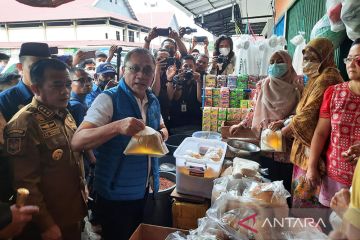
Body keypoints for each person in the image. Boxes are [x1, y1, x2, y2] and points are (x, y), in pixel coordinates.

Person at [71, 48, 169, 239]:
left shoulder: (152, 101)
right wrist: (117, 127)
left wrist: (160, 134)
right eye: (135, 68)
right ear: (124, 70)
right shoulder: (108, 99)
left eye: (148, 70)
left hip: (145, 190)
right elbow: (77, 141)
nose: (141, 75)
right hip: (114, 195)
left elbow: (163, 127)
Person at [4, 58, 87, 239]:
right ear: (36, 88)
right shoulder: (24, 124)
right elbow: (25, 184)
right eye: (57, 85)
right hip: (48, 221)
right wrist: (46, 225)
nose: (65, 91)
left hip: (71, 210)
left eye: (67, 84)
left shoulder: (64, 113)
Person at [279, 38, 343, 208]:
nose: (307, 63)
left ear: (325, 57)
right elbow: (303, 109)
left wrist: (286, 130)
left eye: (312, 58)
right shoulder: (317, 76)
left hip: (314, 152)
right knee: (301, 199)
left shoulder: (328, 78)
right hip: (307, 150)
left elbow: (308, 115)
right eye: (305, 58)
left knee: (308, 204)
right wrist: (286, 122)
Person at [229, 50, 301, 192]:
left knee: (285, 186)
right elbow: (254, 109)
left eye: (279, 61)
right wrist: (241, 124)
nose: (275, 65)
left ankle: (283, 212)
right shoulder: (262, 85)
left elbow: (301, 113)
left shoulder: (297, 86)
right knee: (268, 184)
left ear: (288, 64)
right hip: (267, 142)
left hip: (287, 144)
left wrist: (284, 122)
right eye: (272, 62)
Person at [305, 39, 360, 208]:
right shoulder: (334, 93)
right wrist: (311, 166)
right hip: (335, 177)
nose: (351, 64)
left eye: (358, 59)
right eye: (348, 59)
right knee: (333, 229)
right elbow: (321, 132)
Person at [0, 42, 50, 145]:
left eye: (46, 68)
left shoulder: (56, 94)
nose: (41, 73)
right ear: (20, 67)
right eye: (34, 67)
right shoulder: (4, 100)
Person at [166, 55, 202, 133]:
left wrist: (198, 82)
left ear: (195, 67)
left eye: (190, 66)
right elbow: (174, 98)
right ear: (181, 68)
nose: (188, 68)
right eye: (185, 66)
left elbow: (200, 99)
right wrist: (179, 83)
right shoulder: (176, 79)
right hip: (178, 125)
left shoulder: (199, 80)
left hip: (195, 125)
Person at [152, 49, 172, 127]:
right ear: (154, 60)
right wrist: (157, 71)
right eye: (160, 59)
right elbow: (154, 94)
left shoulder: (171, 74)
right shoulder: (149, 73)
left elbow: (170, 97)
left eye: (165, 59)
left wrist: (170, 79)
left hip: (166, 114)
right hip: (153, 114)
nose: (163, 61)